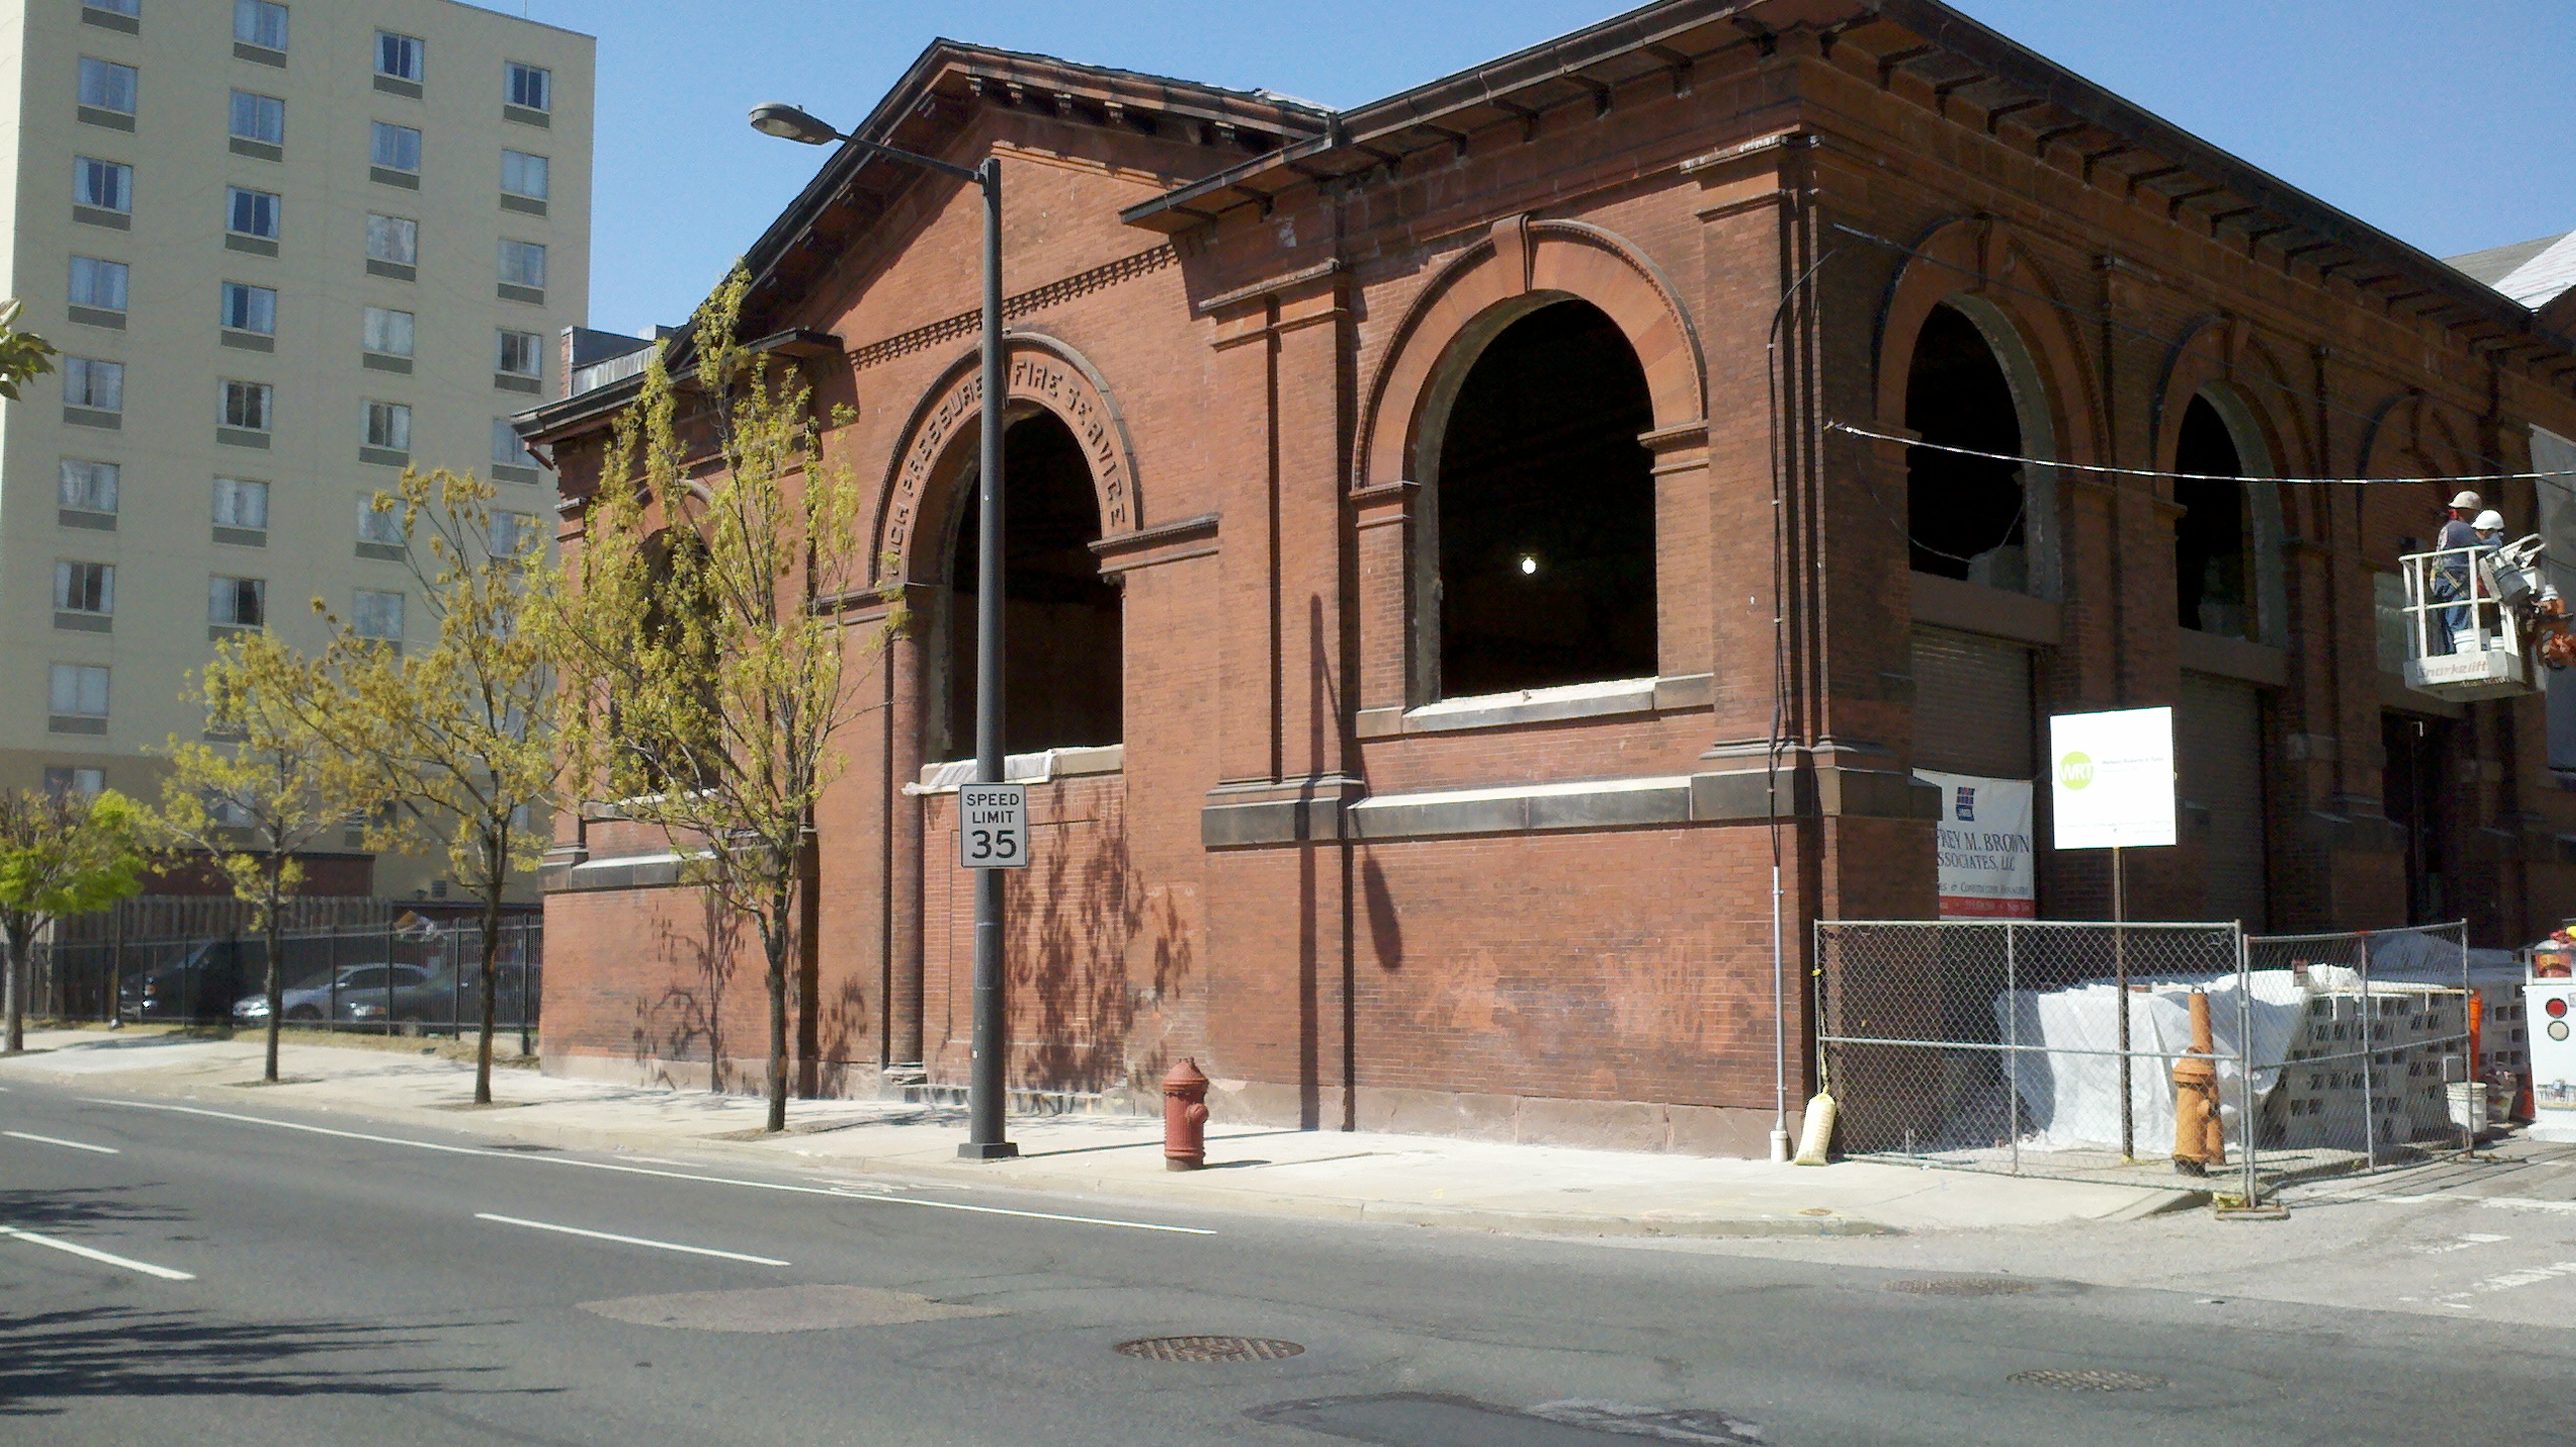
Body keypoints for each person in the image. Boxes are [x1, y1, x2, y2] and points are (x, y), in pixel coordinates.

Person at [2432, 491, 2482, 652]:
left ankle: (2450, 652)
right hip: (2455, 583)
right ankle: (2461, 654)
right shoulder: (2462, 529)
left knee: (2447, 622)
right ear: (2470, 511)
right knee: (2458, 622)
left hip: (2443, 581)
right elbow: (2483, 550)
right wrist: (2494, 538)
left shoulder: (2449, 528)